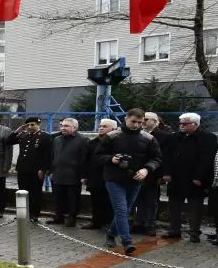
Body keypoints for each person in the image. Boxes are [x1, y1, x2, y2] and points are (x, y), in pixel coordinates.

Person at [93, 108, 162, 255]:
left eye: (140, 122)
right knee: (121, 210)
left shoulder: (148, 138)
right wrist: (111, 159)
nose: (136, 125)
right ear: (126, 119)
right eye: (133, 122)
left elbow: (156, 158)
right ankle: (127, 241)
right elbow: (98, 156)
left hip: (135, 179)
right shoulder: (112, 136)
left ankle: (111, 233)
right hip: (114, 178)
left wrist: (146, 170)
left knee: (124, 211)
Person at [162, 113, 217, 242]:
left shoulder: (208, 138)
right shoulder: (173, 138)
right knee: (174, 204)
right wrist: (166, 173)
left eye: (184, 124)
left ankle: (194, 232)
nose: (181, 126)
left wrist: (199, 176)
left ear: (195, 124)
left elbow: (207, 159)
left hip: (195, 179)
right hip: (175, 178)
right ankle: (174, 230)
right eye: (180, 123)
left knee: (195, 206)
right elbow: (166, 156)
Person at [131, 112, 172, 236]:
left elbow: (166, 156)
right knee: (137, 199)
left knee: (151, 200)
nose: (144, 121)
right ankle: (138, 222)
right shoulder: (136, 133)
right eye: (143, 119)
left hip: (154, 173)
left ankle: (150, 224)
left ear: (155, 122)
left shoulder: (164, 136)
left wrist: (162, 174)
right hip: (137, 172)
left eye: (147, 119)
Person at [47, 118, 89, 227]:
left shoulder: (83, 140)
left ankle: (72, 218)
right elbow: (53, 156)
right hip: (58, 173)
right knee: (57, 197)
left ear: (75, 127)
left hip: (73, 174)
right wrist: (51, 170)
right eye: (62, 126)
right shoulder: (57, 139)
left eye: (67, 126)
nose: (63, 128)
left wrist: (84, 175)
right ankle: (58, 217)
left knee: (73, 198)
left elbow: (85, 159)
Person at [8, 117, 51, 222]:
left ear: (38, 125)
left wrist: (43, 169)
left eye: (33, 125)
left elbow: (47, 155)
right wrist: (17, 131)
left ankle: (34, 214)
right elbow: (8, 141)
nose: (30, 127)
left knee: (35, 193)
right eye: (28, 125)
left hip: (36, 170)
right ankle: (22, 213)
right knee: (22, 191)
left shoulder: (44, 137)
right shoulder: (23, 135)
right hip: (23, 168)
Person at [81, 119, 117, 230]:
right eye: (100, 126)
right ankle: (96, 221)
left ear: (113, 129)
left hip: (110, 176)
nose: (101, 128)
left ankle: (109, 222)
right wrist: (84, 175)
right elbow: (86, 160)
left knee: (109, 201)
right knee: (96, 200)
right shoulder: (92, 143)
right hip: (95, 177)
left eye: (104, 126)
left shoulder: (116, 142)